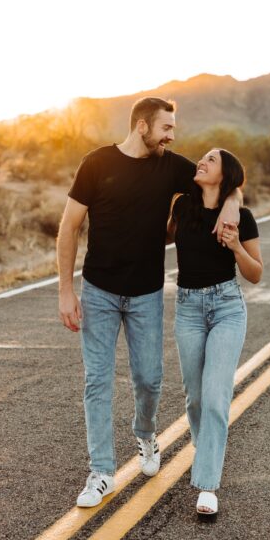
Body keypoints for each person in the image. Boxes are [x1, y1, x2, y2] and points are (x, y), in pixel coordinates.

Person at [56, 97, 241, 508]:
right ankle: (102, 472)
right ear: (142, 126)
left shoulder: (170, 166)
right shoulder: (97, 164)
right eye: (166, 128)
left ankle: (145, 435)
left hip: (147, 294)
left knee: (149, 379)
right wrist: (66, 291)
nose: (172, 136)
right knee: (97, 381)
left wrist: (232, 202)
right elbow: (69, 226)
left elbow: (224, 179)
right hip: (99, 290)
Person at [167, 148, 263, 519]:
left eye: (210, 160)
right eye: (202, 158)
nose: (201, 162)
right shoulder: (182, 208)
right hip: (188, 308)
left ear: (225, 174)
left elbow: (255, 273)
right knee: (194, 398)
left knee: (215, 396)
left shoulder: (244, 218)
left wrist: (236, 244)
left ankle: (207, 485)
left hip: (227, 308)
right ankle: (207, 448)